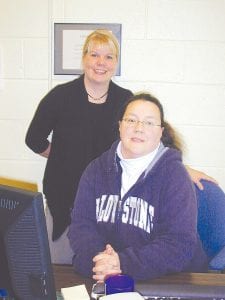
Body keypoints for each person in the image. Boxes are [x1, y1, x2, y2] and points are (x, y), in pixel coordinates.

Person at [25, 29, 216, 263]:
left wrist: (181, 168)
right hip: (64, 203)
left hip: (109, 210)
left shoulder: (125, 99)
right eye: (94, 55)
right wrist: (63, 156)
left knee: (108, 267)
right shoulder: (60, 97)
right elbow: (33, 139)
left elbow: (148, 136)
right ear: (84, 58)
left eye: (109, 57)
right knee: (61, 275)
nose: (101, 63)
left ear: (115, 62)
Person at [68, 93, 208, 281]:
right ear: (120, 126)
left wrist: (123, 264)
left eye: (149, 123)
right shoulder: (95, 170)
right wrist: (100, 261)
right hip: (105, 275)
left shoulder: (175, 176)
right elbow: (81, 226)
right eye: (131, 120)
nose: (139, 128)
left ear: (160, 132)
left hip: (167, 280)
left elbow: (178, 244)